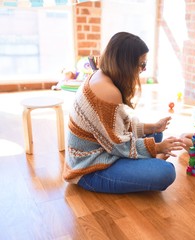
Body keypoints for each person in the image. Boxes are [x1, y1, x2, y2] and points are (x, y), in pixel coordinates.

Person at [63, 32, 186, 194]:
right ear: (126, 64)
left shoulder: (102, 76)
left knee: (156, 135)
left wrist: (153, 127)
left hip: (103, 149)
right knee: (166, 172)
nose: (144, 69)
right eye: (142, 64)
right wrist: (158, 148)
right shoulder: (107, 92)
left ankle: (149, 158)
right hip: (89, 168)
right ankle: (152, 160)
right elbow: (119, 146)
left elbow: (117, 126)